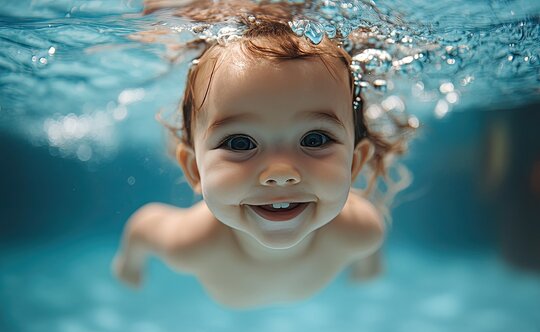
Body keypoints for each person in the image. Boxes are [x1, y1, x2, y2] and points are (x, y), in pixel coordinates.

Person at [112, 0, 413, 309]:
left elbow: (369, 246)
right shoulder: (190, 244)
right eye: (239, 143)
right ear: (195, 171)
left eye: (315, 139)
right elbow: (143, 226)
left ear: (354, 163)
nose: (280, 172)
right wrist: (128, 263)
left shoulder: (361, 231)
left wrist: (368, 266)